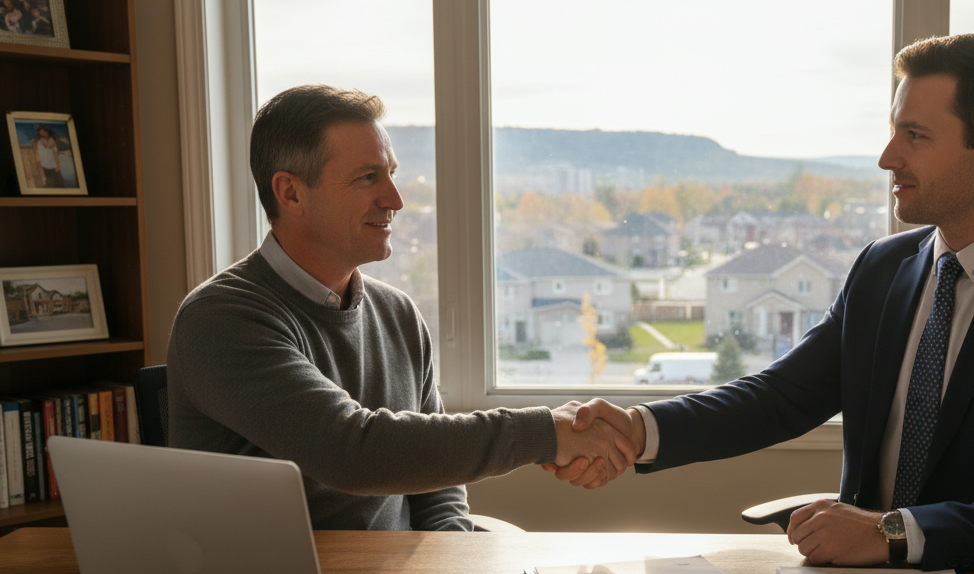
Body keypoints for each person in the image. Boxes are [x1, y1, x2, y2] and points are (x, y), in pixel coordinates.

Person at [552, 34, 974, 571]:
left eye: (914, 136)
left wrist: (893, 533)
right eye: (894, 132)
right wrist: (637, 429)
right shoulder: (882, 268)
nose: (888, 158)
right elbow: (782, 397)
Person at [167, 84, 633, 531]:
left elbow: (437, 487)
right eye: (368, 177)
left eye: (391, 173)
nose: (395, 199)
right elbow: (352, 452)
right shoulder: (221, 319)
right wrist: (547, 431)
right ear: (290, 193)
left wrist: (452, 560)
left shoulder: (398, 313)